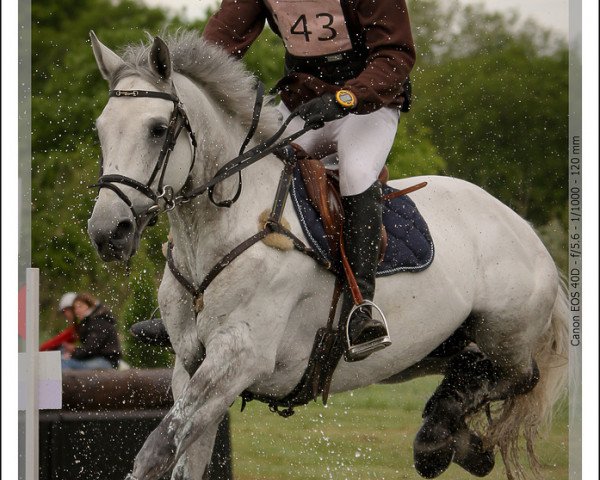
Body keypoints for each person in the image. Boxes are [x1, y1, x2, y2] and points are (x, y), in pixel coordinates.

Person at [202, 0, 416, 361]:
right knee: (242, 164)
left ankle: (360, 308)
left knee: (356, 171)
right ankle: (198, 297)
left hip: (369, 106)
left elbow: (396, 55)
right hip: (302, 103)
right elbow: (221, 38)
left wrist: (347, 97)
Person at [61, 292, 122, 370]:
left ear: (89, 306)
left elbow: (91, 349)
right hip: (101, 359)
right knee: (64, 359)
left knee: (63, 362)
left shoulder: (97, 321)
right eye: (75, 308)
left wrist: (74, 352)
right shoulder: (91, 321)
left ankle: (58, 382)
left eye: (80, 306)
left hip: (105, 362)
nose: (77, 310)